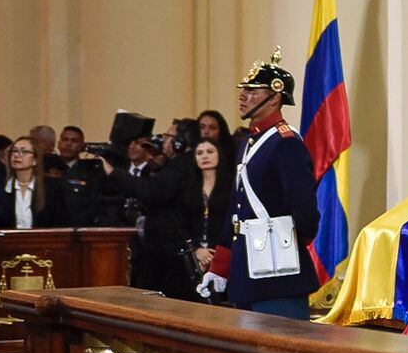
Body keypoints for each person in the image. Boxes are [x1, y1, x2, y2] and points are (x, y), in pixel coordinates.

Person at [197, 48, 322, 319]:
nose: (243, 96)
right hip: (247, 272)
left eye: (253, 91)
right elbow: (236, 210)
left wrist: (285, 239)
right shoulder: (249, 141)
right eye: (244, 90)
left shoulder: (285, 143)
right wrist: (220, 266)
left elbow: (305, 210)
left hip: (278, 274)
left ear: (275, 97)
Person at [103, 121, 201, 298]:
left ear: (180, 143)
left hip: (171, 254)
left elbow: (150, 191)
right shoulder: (178, 166)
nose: (163, 141)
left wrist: (113, 173)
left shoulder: (179, 167)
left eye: (168, 136)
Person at [183, 138, 235, 297]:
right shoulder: (187, 186)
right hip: (194, 255)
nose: (205, 156)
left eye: (210, 152)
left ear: (219, 154)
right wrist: (198, 251)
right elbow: (181, 222)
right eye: (199, 153)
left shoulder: (231, 184)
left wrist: (214, 253)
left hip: (223, 252)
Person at [3, 136, 67, 228]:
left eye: (24, 151)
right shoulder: (2, 186)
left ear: (35, 160)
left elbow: (61, 222)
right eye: (14, 151)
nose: (17, 155)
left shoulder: (51, 187)